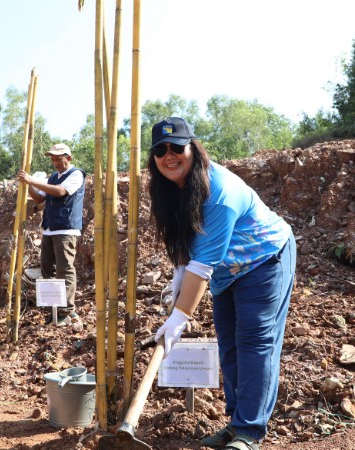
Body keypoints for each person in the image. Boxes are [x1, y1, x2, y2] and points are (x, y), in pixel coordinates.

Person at [149, 117, 295, 450]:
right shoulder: (168, 188)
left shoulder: (219, 193)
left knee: (255, 341)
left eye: (177, 148)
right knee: (229, 345)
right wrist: (178, 273)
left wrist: (178, 318)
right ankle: (236, 423)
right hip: (227, 268)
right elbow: (185, 243)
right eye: (160, 150)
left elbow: (203, 265)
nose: (169, 156)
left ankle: (249, 431)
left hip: (264, 259)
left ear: (193, 148)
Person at [17, 143, 86, 327]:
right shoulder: (53, 177)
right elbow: (40, 198)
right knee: (47, 269)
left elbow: (61, 192)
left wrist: (32, 181)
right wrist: (28, 186)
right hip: (50, 228)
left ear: (68, 158)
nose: (55, 162)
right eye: (53, 159)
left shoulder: (76, 174)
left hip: (66, 228)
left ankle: (66, 309)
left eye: (58, 159)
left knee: (65, 269)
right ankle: (53, 308)